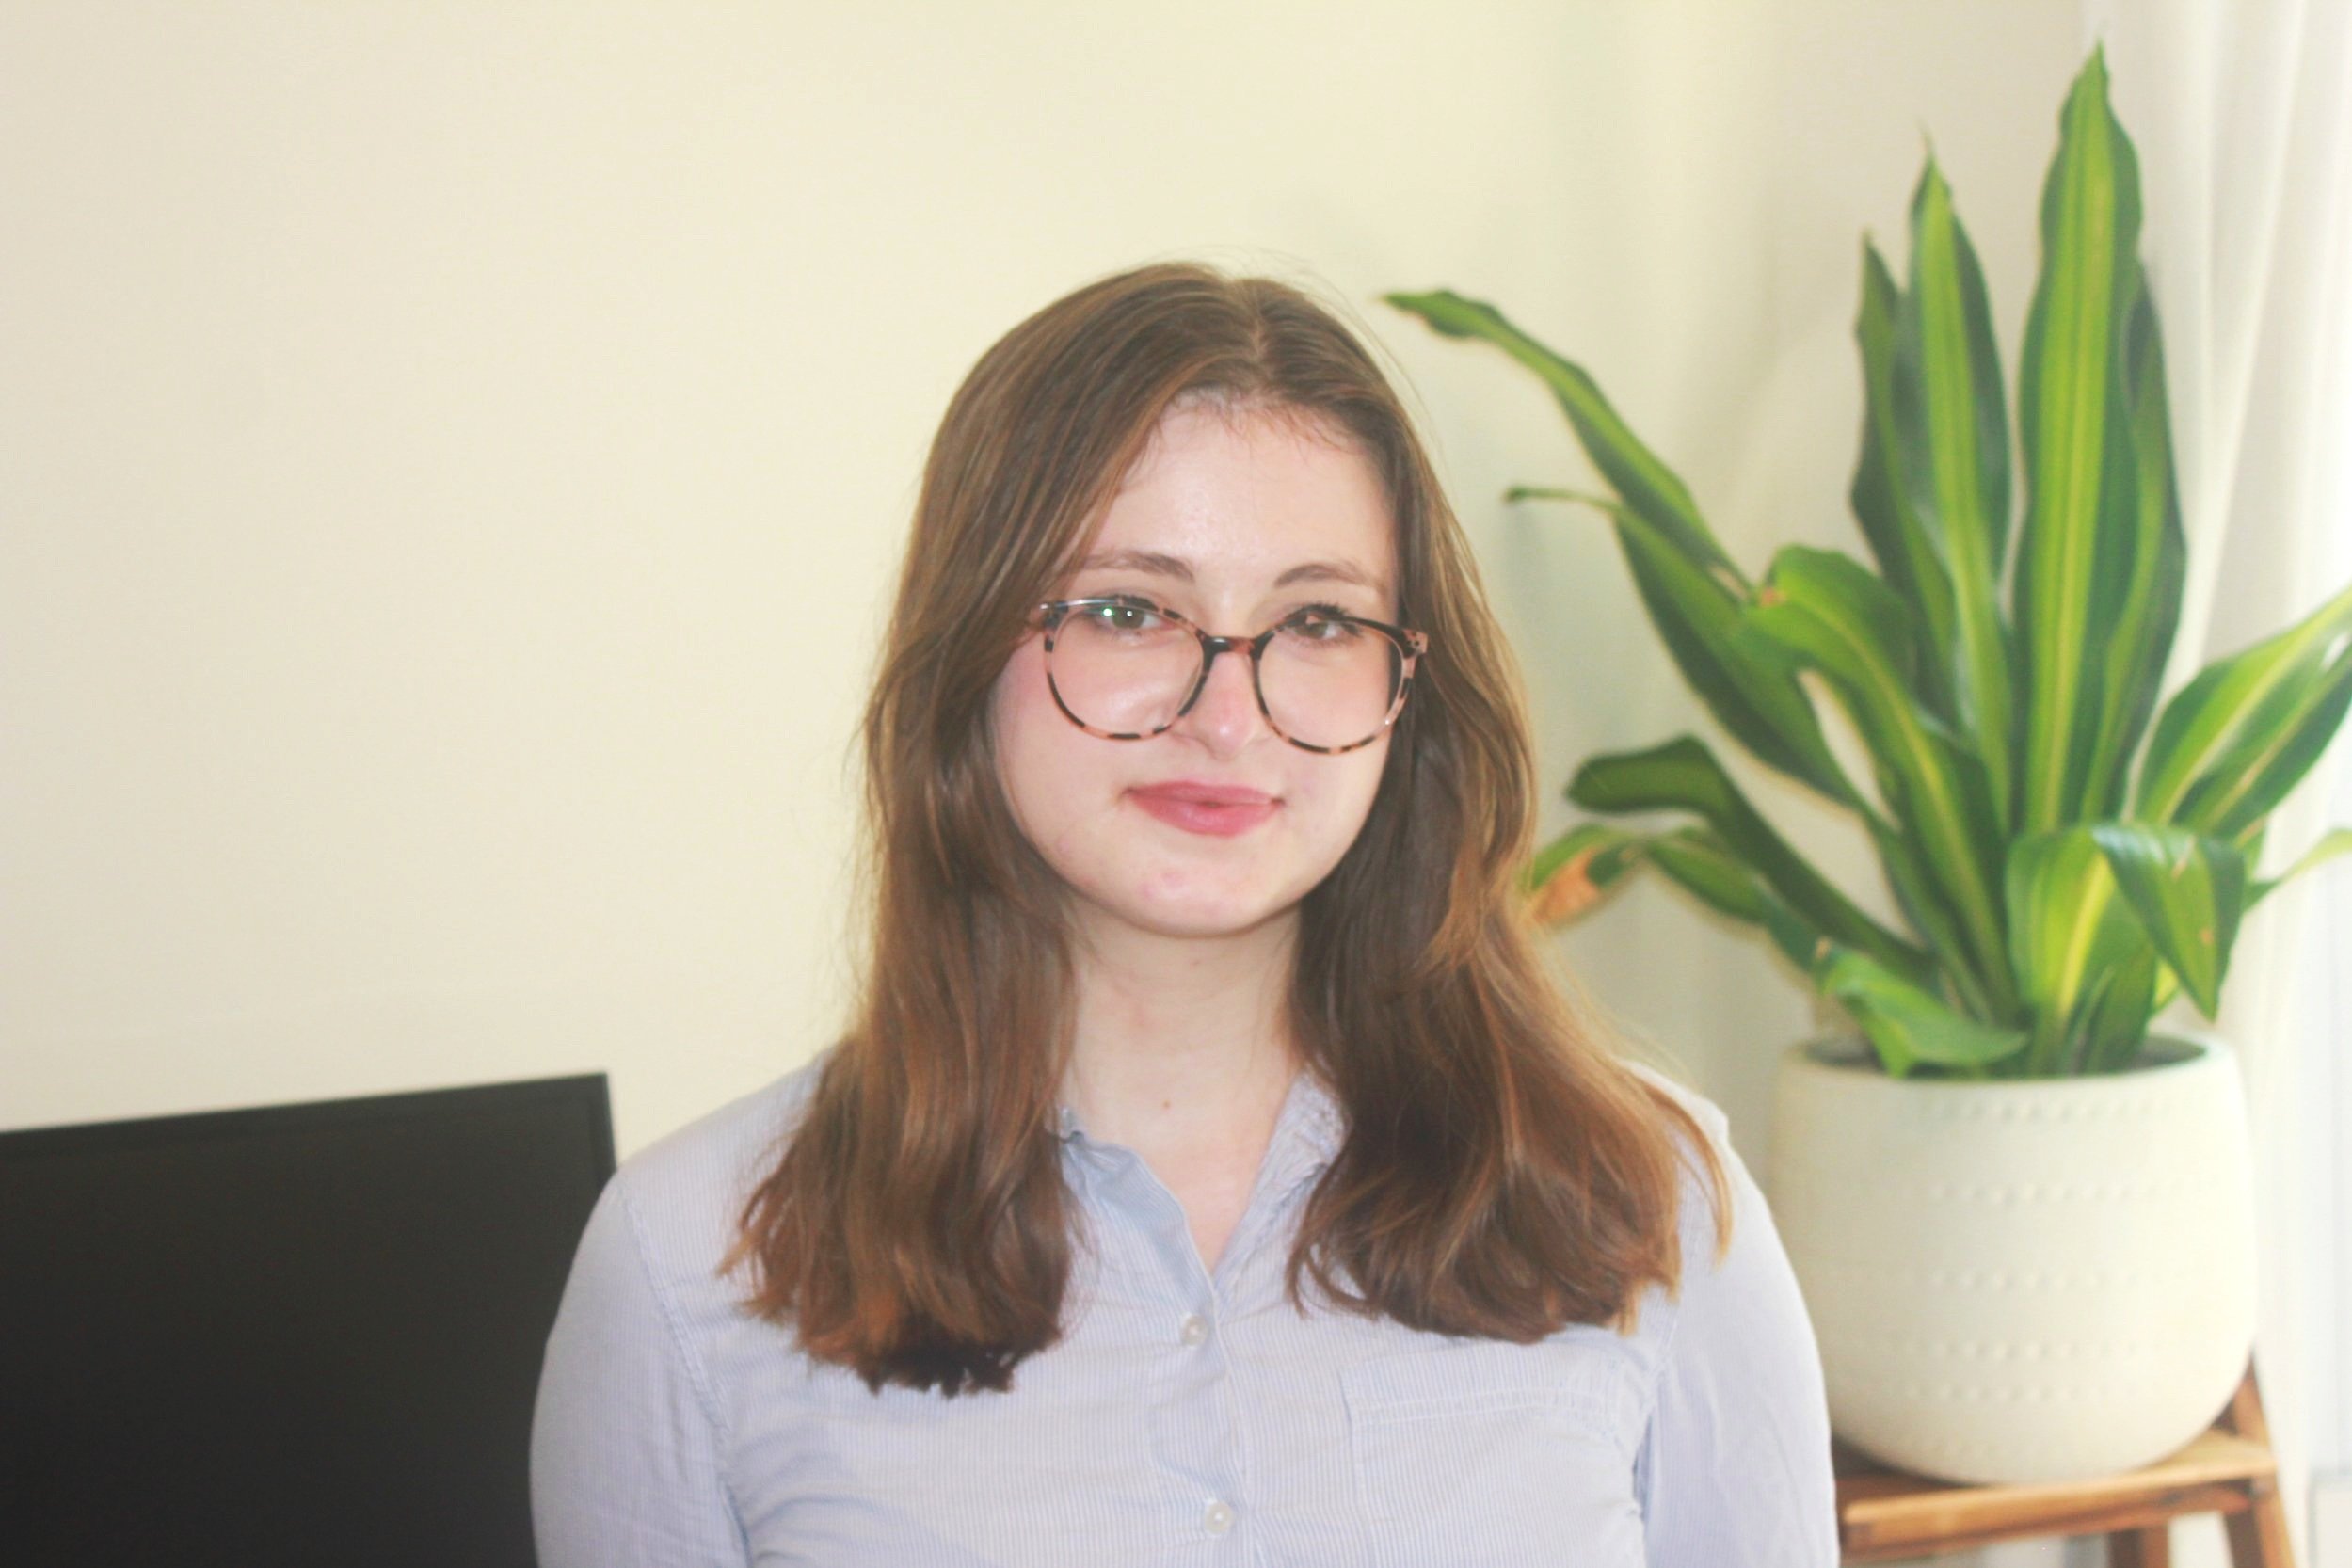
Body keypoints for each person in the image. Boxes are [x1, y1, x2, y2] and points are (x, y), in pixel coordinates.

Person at [528, 259, 1839, 1566]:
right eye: (1128, 610)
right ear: (968, 652)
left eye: (1318, 619)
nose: (1226, 715)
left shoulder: (1657, 1210)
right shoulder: (690, 1259)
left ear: (1409, 694)